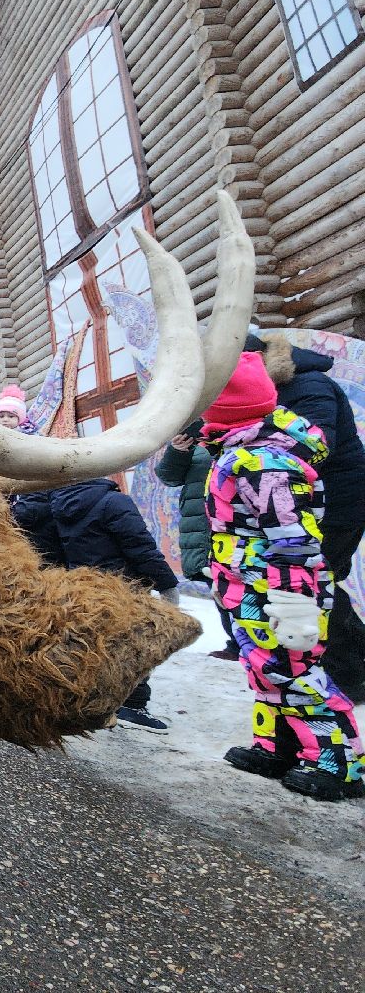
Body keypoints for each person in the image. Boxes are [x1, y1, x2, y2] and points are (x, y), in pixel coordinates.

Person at [202, 351, 362, 800]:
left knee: (297, 676)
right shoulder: (240, 451)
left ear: (220, 407)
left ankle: (338, 764)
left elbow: (294, 539)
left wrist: (293, 603)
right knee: (267, 672)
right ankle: (280, 747)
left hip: (278, 592)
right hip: (248, 587)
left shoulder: (263, 463)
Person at [10, 476, 180, 731]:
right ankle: (132, 707)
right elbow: (141, 547)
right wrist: (167, 584)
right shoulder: (113, 502)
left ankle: (90, 704)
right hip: (124, 587)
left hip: (86, 590)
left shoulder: (57, 505)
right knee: (132, 648)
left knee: (93, 649)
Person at [249, 333, 365, 699]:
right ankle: (350, 661)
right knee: (318, 581)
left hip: (337, 502)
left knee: (316, 581)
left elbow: (316, 446)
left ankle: (350, 674)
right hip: (304, 502)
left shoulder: (308, 384)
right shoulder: (273, 388)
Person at [156, 423, 236, 659]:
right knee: (218, 585)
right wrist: (177, 452)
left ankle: (259, 646)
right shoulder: (199, 448)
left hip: (235, 524)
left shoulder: (248, 438)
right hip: (202, 527)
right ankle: (236, 644)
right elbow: (169, 477)